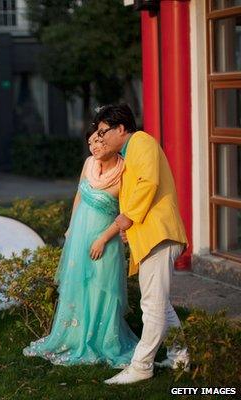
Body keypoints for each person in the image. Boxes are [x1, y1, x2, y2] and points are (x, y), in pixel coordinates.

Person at [22, 125, 138, 368]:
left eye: (99, 141)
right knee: (80, 285)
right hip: (80, 235)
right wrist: (72, 227)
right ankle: (74, 336)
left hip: (106, 238)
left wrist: (104, 239)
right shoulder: (88, 164)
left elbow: (128, 212)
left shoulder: (125, 169)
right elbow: (79, 195)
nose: (95, 147)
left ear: (112, 141)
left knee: (101, 286)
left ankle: (102, 341)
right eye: (91, 143)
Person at [91, 104, 190, 385]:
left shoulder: (142, 141)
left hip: (159, 235)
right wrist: (130, 227)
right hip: (151, 235)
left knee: (152, 306)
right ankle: (179, 355)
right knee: (158, 303)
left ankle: (142, 365)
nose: (99, 138)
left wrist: (127, 218)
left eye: (103, 132)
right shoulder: (130, 150)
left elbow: (148, 182)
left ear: (121, 128)